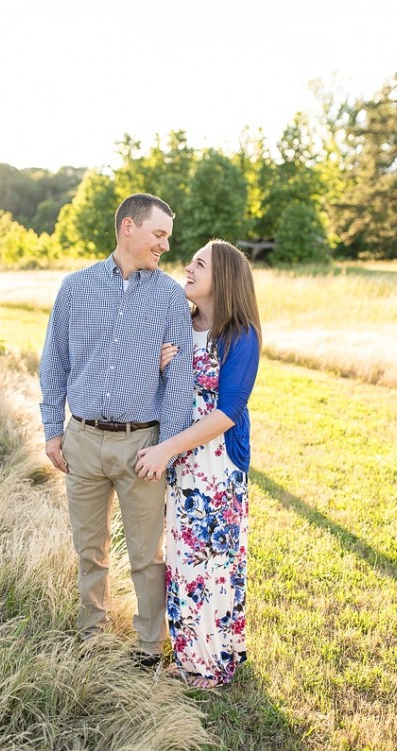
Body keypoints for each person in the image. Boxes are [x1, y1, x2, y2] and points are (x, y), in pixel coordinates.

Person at [39, 193, 194, 668]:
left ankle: (150, 647)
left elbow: (180, 379)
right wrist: (52, 430)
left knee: (147, 555)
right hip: (81, 440)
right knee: (90, 549)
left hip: (142, 444)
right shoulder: (75, 288)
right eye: (159, 234)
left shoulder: (170, 297)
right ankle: (92, 634)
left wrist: (165, 448)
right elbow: (55, 363)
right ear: (129, 227)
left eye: (167, 236)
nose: (165, 245)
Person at [134, 239, 261, 688]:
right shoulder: (179, 326)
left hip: (216, 465)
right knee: (182, 560)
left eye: (199, 264)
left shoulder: (241, 335)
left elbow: (227, 412)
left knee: (211, 560)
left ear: (222, 278)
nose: (187, 268)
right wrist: (163, 366)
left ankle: (211, 662)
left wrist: (167, 450)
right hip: (181, 465)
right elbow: (162, 394)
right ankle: (192, 654)